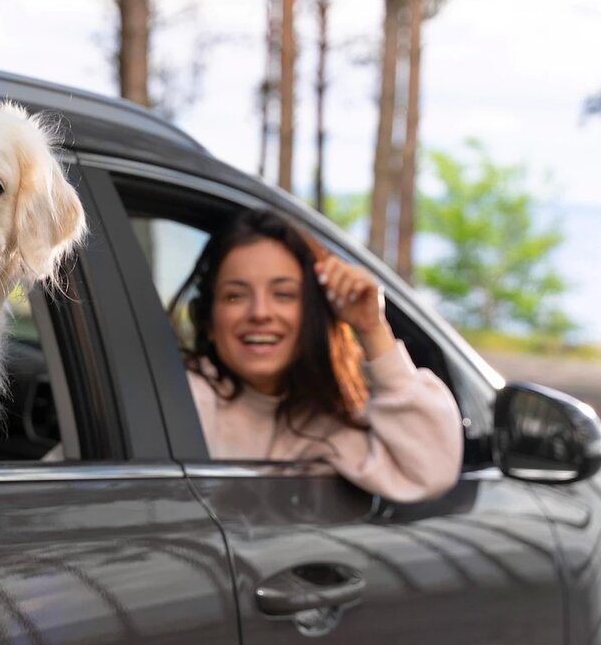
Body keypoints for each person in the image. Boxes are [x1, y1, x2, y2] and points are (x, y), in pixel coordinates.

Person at [172, 209, 462, 503]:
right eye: (235, 296)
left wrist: (373, 330)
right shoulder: (183, 400)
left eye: (283, 294)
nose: (259, 313)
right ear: (208, 321)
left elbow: (431, 472)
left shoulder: (326, 420)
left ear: (313, 314)